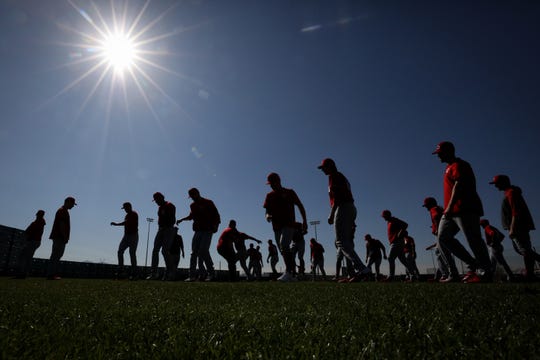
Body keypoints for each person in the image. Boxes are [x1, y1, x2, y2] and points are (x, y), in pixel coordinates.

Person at [432, 141, 492, 283]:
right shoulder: (448, 167)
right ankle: (473, 264)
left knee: (473, 239)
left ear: (448, 152)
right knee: (443, 238)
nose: (438, 156)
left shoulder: (460, 165)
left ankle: (485, 272)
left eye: (440, 153)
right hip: (451, 211)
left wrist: (450, 206)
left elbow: (459, 186)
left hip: (465, 208)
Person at [318, 158, 370, 283]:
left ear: (330, 167)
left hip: (343, 207)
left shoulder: (334, 176)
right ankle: (354, 273)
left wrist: (331, 215)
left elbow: (337, 197)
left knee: (340, 241)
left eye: (323, 167)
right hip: (350, 207)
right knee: (346, 243)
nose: (322, 170)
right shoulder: (340, 176)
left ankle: (362, 269)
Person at [490, 174, 540, 281]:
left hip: (518, 227)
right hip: (517, 226)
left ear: (503, 182)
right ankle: (530, 273)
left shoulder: (511, 193)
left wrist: (512, 228)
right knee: (521, 250)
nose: (495, 186)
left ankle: (530, 274)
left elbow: (515, 212)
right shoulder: (509, 192)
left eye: (497, 183)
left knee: (524, 250)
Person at [263, 172, 308, 282]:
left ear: (278, 182)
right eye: (270, 184)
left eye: (273, 183)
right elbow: (266, 211)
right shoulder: (269, 195)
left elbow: (300, 206)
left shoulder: (289, 192)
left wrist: (304, 221)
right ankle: (292, 275)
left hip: (289, 224)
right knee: (283, 251)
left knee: (284, 245)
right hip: (276, 226)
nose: (271, 185)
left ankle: (288, 272)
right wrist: (268, 216)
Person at [178, 188, 221, 282]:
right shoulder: (192, 205)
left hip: (208, 230)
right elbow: (191, 216)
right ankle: (192, 276)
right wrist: (182, 219)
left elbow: (217, 215)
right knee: (194, 253)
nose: (192, 198)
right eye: (191, 196)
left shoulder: (208, 202)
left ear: (198, 193)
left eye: (193, 195)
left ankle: (212, 274)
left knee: (203, 250)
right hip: (198, 231)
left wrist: (216, 226)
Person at [422, 197, 455, 282]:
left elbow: (436, 217)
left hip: (441, 234)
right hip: (443, 234)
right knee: (440, 254)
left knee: (441, 254)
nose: (426, 207)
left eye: (426, 205)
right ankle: (442, 275)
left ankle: (446, 275)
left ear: (430, 204)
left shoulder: (434, 209)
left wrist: (437, 228)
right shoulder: (438, 208)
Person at [147, 192, 176, 280]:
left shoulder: (169, 205)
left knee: (164, 251)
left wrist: (165, 227)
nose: (156, 202)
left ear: (161, 198)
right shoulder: (160, 208)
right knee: (155, 250)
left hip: (168, 229)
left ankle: (170, 272)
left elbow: (172, 219)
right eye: (155, 200)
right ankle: (154, 273)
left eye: (157, 200)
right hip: (161, 229)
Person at [47, 196, 76, 280]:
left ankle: (52, 274)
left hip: (59, 237)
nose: (73, 206)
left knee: (57, 255)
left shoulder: (64, 211)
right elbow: (61, 224)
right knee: (56, 255)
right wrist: (65, 237)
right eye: (72, 204)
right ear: (68, 202)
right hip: (59, 237)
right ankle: (51, 274)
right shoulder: (62, 211)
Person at [381, 210, 415, 281]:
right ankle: (412, 275)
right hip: (395, 242)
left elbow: (405, 225)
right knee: (403, 260)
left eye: (384, 216)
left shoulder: (394, 220)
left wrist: (400, 232)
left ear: (387, 215)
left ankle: (391, 276)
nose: (383, 218)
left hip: (397, 242)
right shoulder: (389, 222)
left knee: (390, 258)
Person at [110, 202, 139, 279]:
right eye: (124, 208)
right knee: (120, 251)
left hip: (133, 235)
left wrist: (116, 224)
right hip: (126, 236)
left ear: (129, 207)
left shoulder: (134, 214)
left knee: (132, 253)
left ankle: (134, 273)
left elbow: (126, 222)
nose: (125, 210)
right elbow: (126, 223)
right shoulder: (127, 215)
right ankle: (121, 271)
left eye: (126, 208)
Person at [14, 210, 46, 279]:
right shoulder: (38, 222)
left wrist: (25, 236)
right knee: (26, 257)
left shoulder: (39, 222)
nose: (37, 215)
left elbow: (28, 231)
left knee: (24, 257)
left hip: (33, 241)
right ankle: (23, 273)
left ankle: (22, 273)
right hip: (34, 241)